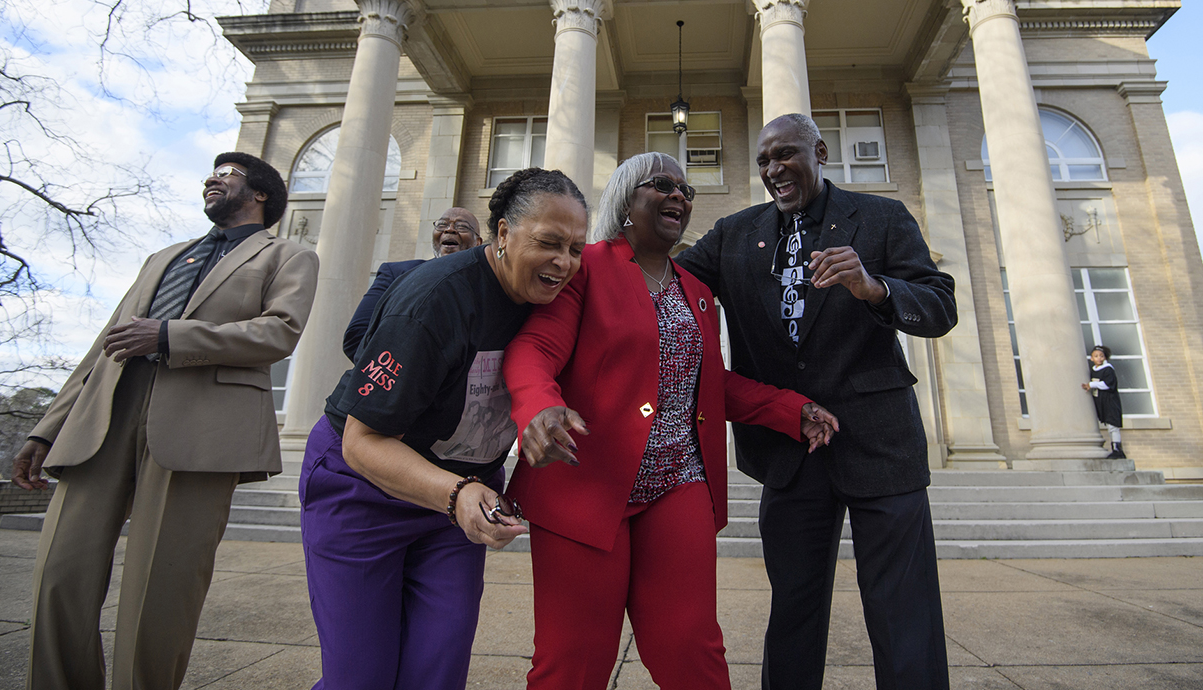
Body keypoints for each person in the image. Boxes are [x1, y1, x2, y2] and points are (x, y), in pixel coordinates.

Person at [503, 152, 840, 690]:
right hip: (588, 480)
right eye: (662, 185)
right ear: (626, 200)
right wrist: (539, 405)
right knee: (574, 661)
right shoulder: (585, 265)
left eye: (687, 191)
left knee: (691, 651)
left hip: (678, 481)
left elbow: (709, 384)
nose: (679, 196)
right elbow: (534, 348)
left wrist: (789, 409)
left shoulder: (698, 293)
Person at [10, 152, 319, 690]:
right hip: (104, 419)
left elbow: (278, 333)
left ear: (261, 193)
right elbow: (101, 346)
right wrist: (48, 427)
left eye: (226, 175)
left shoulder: (288, 255)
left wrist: (171, 336)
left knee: (161, 589)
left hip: (201, 431)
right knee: (59, 576)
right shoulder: (162, 257)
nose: (210, 180)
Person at [676, 113, 958, 690]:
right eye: (763, 161)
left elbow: (939, 306)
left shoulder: (880, 217)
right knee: (794, 611)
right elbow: (664, 283)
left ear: (820, 152)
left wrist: (874, 288)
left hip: (880, 443)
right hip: (788, 450)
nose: (773, 169)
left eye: (785, 155)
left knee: (903, 609)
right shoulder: (734, 233)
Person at [300, 168, 589, 690]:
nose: (564, 263)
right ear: (502, 233)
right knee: (360, 676)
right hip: (363, 486)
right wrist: (454, 492)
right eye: (548, 243)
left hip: (461, 499)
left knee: (438, 668)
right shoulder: (434, 300)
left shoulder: (557, 300)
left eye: (575, 248)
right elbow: (361, 442)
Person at [342, 207, 482, 358]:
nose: (450, 229)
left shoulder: (485, 289)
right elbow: (357, 336)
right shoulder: (395, 273)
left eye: (462, 226)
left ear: (478, 243)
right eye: (442, 225)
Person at [1082, 345, 1124, 458]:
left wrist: (1091, 385)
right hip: (1100, 401)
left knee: (1112, 426)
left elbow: (1107, 384)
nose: (1099, 358)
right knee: (1107, 424)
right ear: (1091, 358)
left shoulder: (1108, 369)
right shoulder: (1093, 370)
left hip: (1110, 401)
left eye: (1101, 356)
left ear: (1105, 358)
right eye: (1096, 356)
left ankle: (1117, 450)